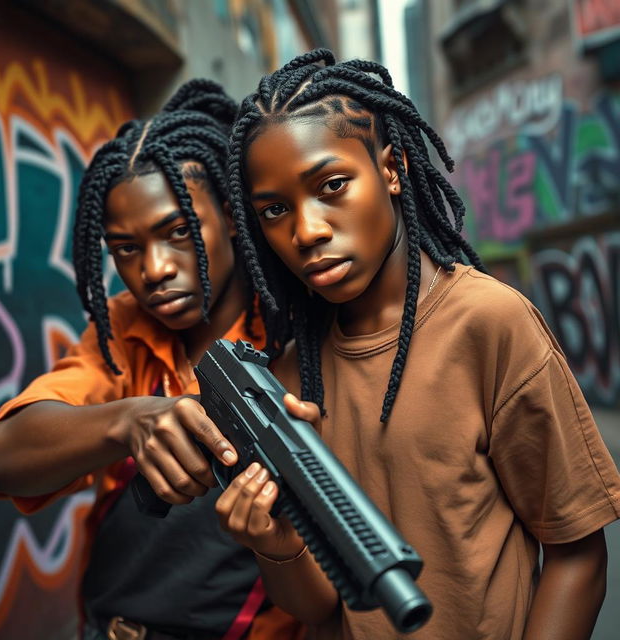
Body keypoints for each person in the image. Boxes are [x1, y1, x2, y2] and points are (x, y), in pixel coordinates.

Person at [214, 49, 620, 640]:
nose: (306, 230)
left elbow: (577, 555)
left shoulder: (488, 323)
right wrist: (274, 543)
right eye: (274, 210)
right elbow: (321, 608)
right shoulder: (291, 377)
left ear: (392, 168)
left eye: (331, 186)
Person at [0, 79, 303, 640]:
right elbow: (0, 457)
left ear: (230, 214)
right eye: (126, 249)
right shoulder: (127, 331)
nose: (153, 269)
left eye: (177, 232)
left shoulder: (296, 331)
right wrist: (129, 420)